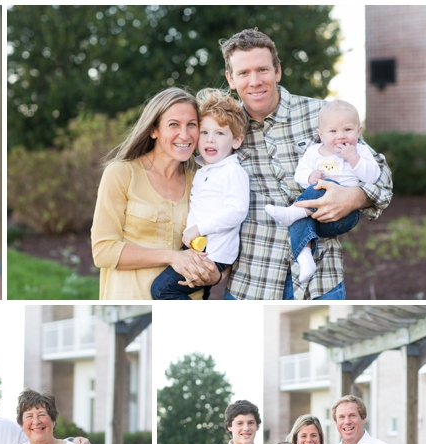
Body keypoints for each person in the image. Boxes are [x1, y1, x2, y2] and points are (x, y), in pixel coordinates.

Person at [218, 28, 393, 300]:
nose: (254, 81)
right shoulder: (222, 129)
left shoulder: (323, 115)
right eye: (243, 73)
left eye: (262, 70)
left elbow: (383, 179)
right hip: (250, 285)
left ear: (277, 71)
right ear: (231, 79)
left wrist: (354, 198)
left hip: (321, 284)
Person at [91, 87, 221, 300]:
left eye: (192, 125)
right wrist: (172, 257)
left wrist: (216, 275)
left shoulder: (202, 181)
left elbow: (222, 242)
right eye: (173, 125)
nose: (185, 134)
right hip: (133, 302)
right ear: (154, 130)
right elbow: (103, 251)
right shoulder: (121, 174)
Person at [266, 100, 381, 288]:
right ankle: (305, 261)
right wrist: (310, 176)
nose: (341, 136)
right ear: (321, 134)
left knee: (322, 189)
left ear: (359, 131)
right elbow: (299, 174)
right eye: (333, 131)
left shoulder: (361, 151)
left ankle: (291, 212)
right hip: (314, 215)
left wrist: (353, 158)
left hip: (344, 215)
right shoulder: (313, 153)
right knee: (310, 199)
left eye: (348, 130)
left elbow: (374, 176)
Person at [150, 88, 249, 300]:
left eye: (219, 133)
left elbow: (237, 211)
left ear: (237, 141)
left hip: (213, 254)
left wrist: (198, 229)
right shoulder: (206, 169)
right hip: (200, 249)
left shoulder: (232, 171)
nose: (210, 140)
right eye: (204, 132)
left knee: (162, 289)